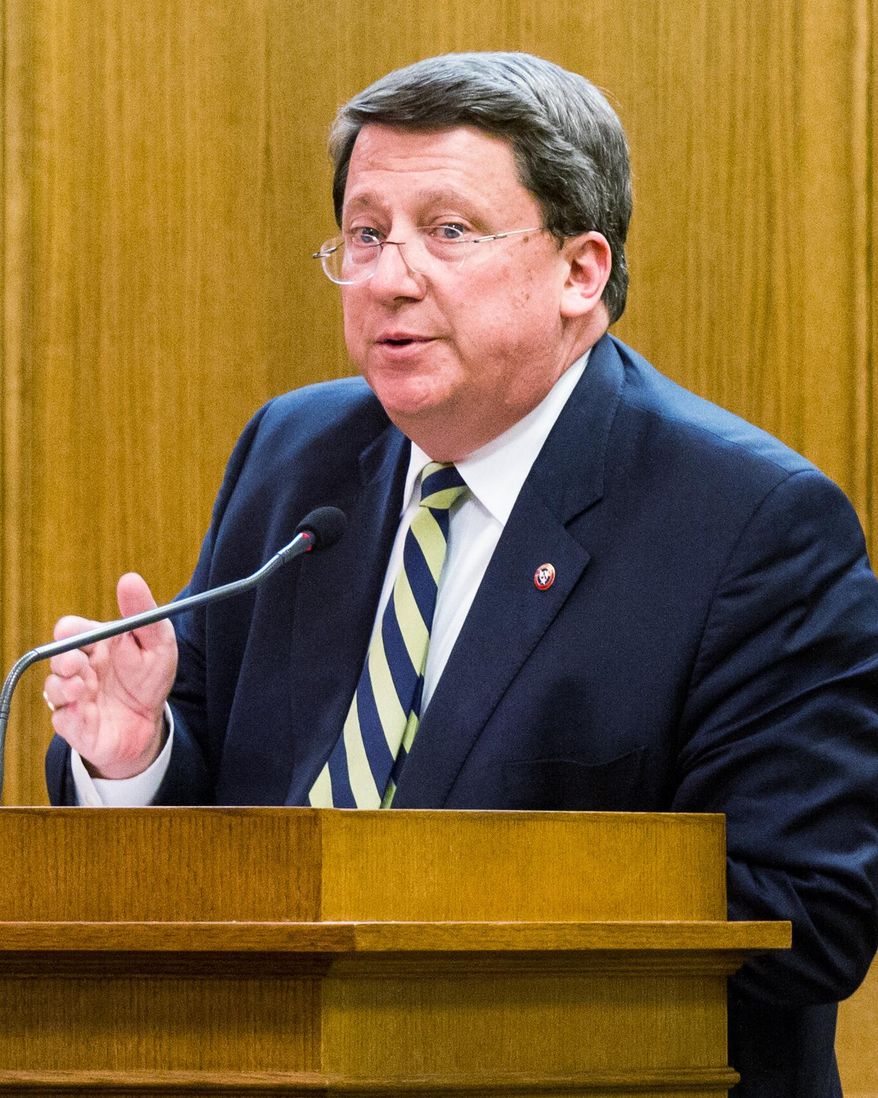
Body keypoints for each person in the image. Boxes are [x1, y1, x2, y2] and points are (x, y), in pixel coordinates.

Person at [42, 52, 878, 1096]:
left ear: (580, 271)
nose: (390, 276)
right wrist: (136, 761)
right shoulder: (294, 454)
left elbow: (808, 912)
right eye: (365, 233)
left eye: (447, 232)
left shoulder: (748, 523)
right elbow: (216, 824)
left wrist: (432, 899)